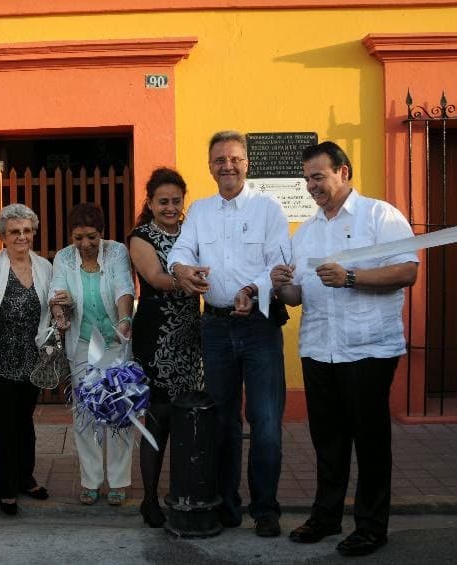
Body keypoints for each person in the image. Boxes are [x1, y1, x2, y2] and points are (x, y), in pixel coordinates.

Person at [271, 141, 418, 557]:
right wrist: (281, 285)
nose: (311, 186)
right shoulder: (307, 231)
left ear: (344, 172)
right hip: (320, 349)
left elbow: (407, 270)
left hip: (368, 348)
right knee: (328, 441)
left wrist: (351, 277)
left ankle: (371, 527)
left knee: (370, 442)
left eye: (318, 177)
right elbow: (297, 296)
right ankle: (326, 517)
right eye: (307, 179)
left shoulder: (380, 216)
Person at [168, 131, 290, 537]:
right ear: (210, 166)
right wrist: (182, 269)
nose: (227, 166)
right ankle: (226, 504)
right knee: (221, 420)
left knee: (266, 421)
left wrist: (252, 290)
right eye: (219, 159)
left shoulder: (268, 208)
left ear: (247, 163)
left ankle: (265, 508)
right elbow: (181, 251)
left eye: (235, 158)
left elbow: (280, 263)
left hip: (259, 326)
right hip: (216, 326)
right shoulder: (200, 211)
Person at [128, 168, 204, 527]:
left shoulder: (193, 231)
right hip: (156, 336)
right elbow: (157, 278)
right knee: (157, 418)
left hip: (190, 335)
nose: (170, 207)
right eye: (163, 202)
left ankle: (184, 493)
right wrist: (190, 279)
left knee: (187, 417)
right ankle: (149, 499)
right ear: (150, 203)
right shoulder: (141, 236)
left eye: (176, 201)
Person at [50, 202, 136, 507]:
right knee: (86, 413)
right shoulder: (63, 257)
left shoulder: (116, 252)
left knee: (118, 411)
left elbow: (124, 287)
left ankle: (119, 481)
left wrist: (124, 320)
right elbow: (57, 291)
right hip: (83, 344)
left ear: (102, 233)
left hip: (115, 341)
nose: (85, 244)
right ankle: (90, 480)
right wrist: (60, 310)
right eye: (78, 238)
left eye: (91, 237)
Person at [0, 204, 52, 516]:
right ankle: (6, 488)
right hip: (2, 360)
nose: (22, 237)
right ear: (3, 236)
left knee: (26, 422)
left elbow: (53, 302)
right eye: (14, 232)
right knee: (5, 426)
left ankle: (25, 478)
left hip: (33, 358)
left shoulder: (44, 267)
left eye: (27, 231)